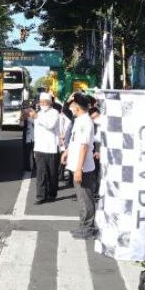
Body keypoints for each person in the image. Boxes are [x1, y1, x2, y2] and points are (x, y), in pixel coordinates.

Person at [65, 92, 99, 240]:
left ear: (77, 106)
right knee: (82, 199)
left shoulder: (85, 121)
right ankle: (84, 226)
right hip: (77, 166)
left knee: (86, 199)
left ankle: (89, 229)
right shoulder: (79, 119)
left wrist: (79, 169)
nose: (70, 107)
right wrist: (66, 151)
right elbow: (75, 142)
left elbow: (84, 147)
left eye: (72, 105)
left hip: (83, 168)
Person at [32, 92, 61, 203]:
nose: (43, 103)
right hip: (39, 148)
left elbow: (50, 125)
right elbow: (36, 132)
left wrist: (37, 117)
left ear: (50, 102)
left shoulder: (55, 113)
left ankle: (52, 194)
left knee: (52, 173)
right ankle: (40, 196)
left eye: (45, 101)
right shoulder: (38, 113)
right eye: (41, 101)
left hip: (51, 148)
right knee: (40, 173)